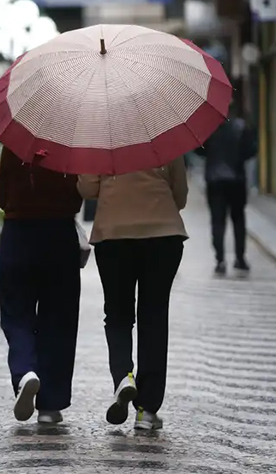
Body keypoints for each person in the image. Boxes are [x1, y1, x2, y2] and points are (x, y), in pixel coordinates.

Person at [78, 157, 188, 431]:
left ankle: (123, 378)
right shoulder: (163, 132)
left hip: (113, 236)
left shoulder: (101, 136)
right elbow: (181, 196)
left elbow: (87, 189)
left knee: (117, 314)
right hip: (163, 236)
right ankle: (147, 411)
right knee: (154, 317)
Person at [0, 147, 82, 425]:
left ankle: (24, 373)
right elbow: (77, 197)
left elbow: (1, 195)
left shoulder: (14, 143)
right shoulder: (69, 143)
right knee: (59, 318)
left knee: (16, 312)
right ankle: (50, 404)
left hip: (17, 233)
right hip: (60, 235)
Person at [194, 107, 257, 274]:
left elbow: (198, 150)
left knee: (217, 220)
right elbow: (252, 150)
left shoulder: (209, 127)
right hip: (236, 179)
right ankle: (240, 258)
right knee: (238, 220)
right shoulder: (241, 127)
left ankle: (220, 259)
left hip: (215, 179)